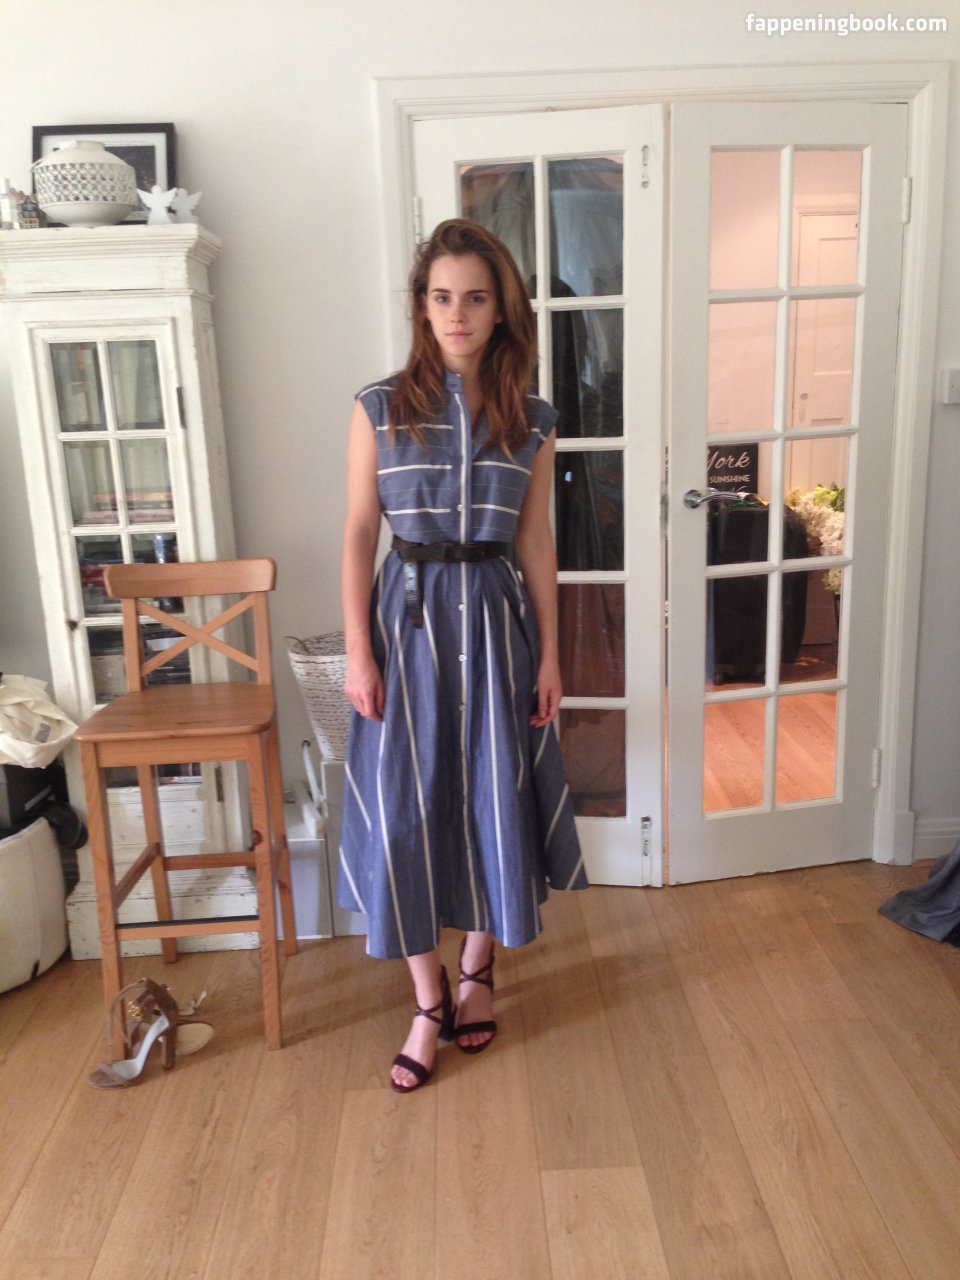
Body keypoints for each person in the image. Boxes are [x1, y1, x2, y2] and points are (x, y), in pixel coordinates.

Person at [339, 218, 587, 1094]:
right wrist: (358, 652)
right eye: (442, 297)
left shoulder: (533, 421)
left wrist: (551, 656)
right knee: (403, 810)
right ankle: (427, 997)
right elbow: (359, 532)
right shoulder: (379, 408)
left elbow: (537, 544)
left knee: (493, 797)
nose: (458, 313)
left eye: (476, 298)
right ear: (421, 305)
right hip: (405, 627)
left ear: (501, 308)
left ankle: (478, 968)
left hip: (494, 623)